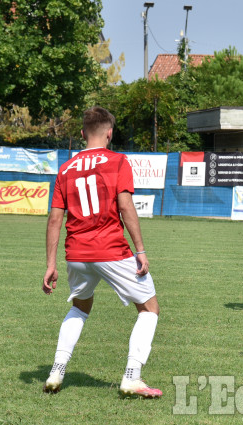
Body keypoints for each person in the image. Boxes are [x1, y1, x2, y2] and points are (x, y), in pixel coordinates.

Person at [42, 106, 162, 398]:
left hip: (76, 254)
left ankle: (56, 370)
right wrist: (141, 250)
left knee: (80, 307)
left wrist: (50, 264)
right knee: (149, 308)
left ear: (82, 133)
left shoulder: (66, 168)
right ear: (110, 133)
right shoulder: (118, 161)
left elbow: (55, 218)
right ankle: (132, 376)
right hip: (110, 249)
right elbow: (125, 206)